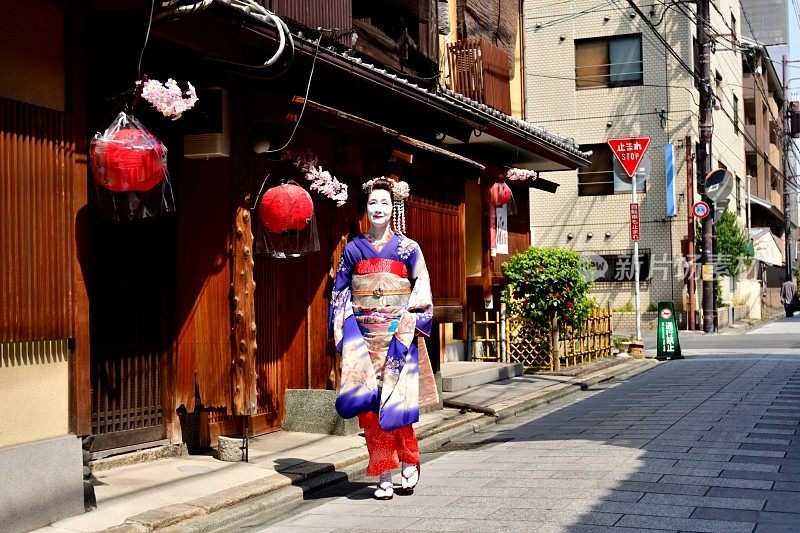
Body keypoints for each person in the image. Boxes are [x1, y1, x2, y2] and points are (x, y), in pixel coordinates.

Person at [329, 177, 437, 500]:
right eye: (373, 203)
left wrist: (410, 321)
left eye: (384, 203)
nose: (378, 208)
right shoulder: (352, 249)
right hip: (363, 339)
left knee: (397, 403)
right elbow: (340, 292)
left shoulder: (408, 248)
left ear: (394, 207)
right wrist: (344, 330)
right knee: (370, 410)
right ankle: (383, 472)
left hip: (397, 337)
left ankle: (409, 458)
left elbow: (422, 287)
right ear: (366, 207)